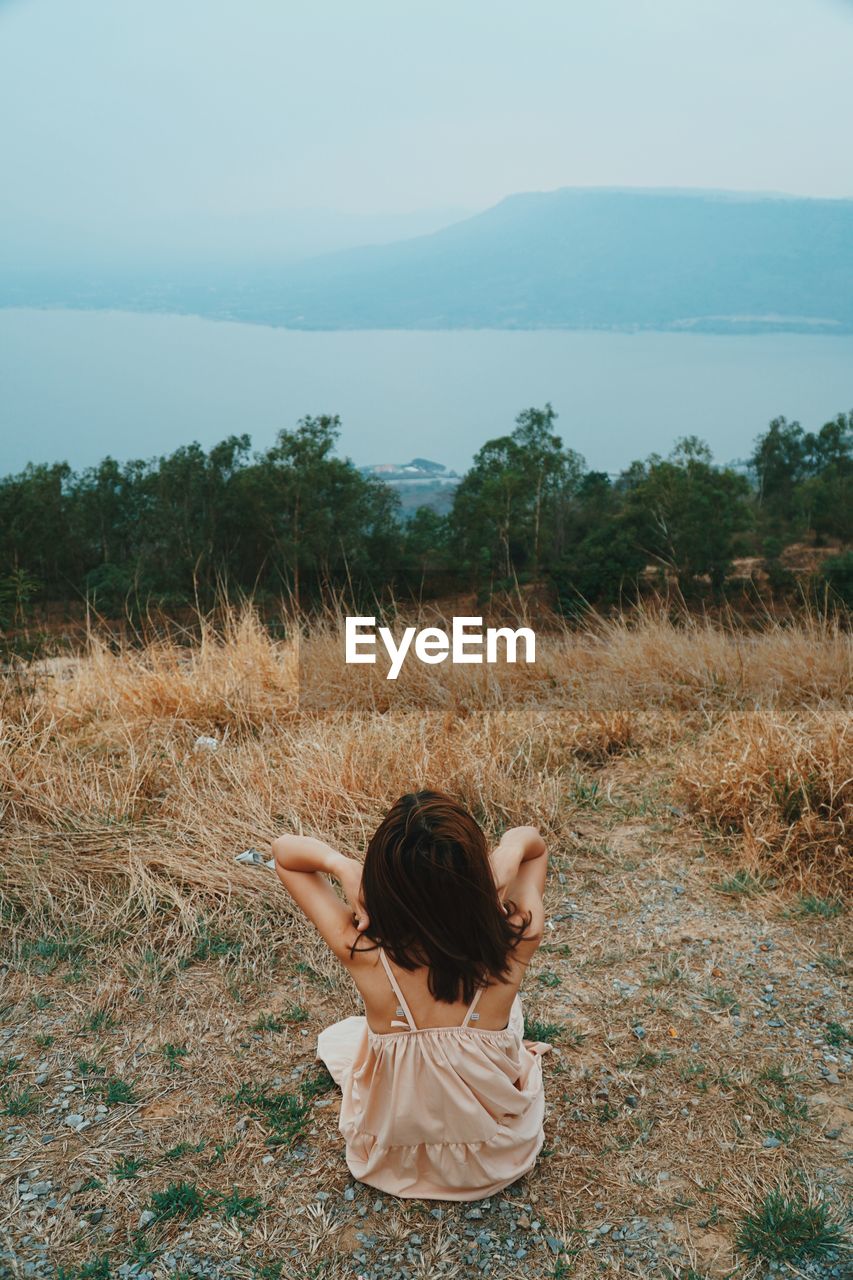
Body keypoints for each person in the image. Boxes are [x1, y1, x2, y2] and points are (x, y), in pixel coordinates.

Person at [270, 789, 552, 1201]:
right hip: (496, 1156)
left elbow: (284, 852)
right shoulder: (516, 938)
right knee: (509, 1017)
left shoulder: (361, 948)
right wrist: (508, 852)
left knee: (354, 1040)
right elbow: (535, 845)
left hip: (390, 1160)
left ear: (381, 880)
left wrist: (344, 867)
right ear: (478, 873)